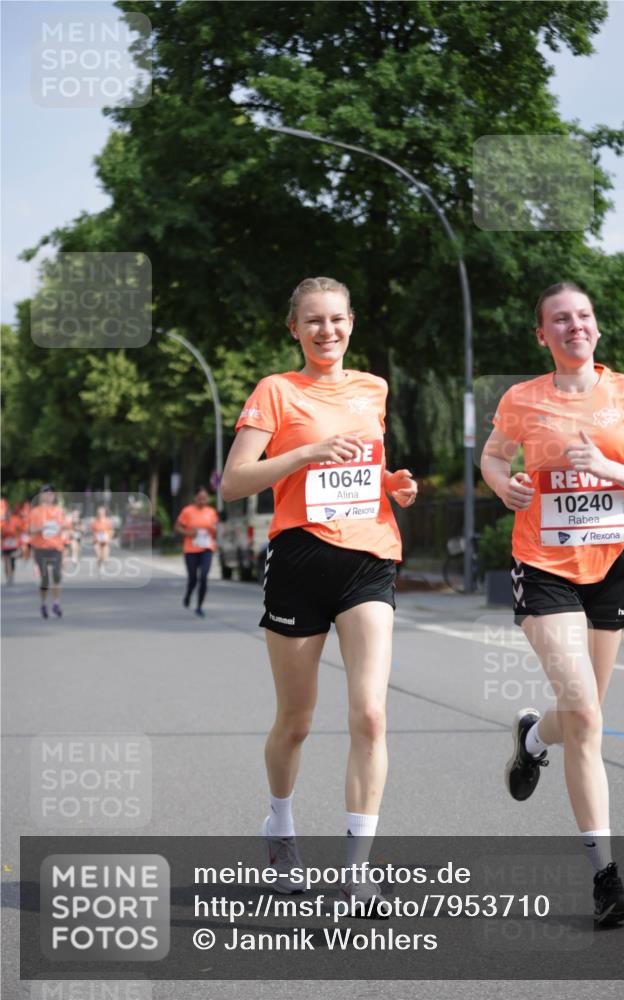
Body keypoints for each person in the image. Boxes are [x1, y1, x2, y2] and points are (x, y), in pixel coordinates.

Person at [221, 276, 417, 913]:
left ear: (352, 323)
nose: (326, 331)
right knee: (297, 721)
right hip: (300, 559)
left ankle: (358, 869)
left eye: (336, 320)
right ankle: (280, 826)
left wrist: (393, 483)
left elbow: (362, 471)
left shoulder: (373, 388)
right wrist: (304, 452)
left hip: (370, 556)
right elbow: (234, 483)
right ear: (294, 329)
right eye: (313, 321)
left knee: (370, 715)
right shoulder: (276, 392)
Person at [481, 282, 624, 927]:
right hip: (544, 566)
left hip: (610, 566)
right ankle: (605, 880)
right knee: (585, 714)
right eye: (560, 319)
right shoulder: (522, 399)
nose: (574, 325)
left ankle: (532, 737)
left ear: (596, 327)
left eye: (583, 316)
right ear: (543, 335)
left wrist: (611, 471)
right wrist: (505, 485)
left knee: (582, 715)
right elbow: (493, 456)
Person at [175, 487, 218, 618]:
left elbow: (216, 530)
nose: (202, 500)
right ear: (195, 498)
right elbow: (177, 527)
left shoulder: (211, 512)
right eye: (200, 498)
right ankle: (188, 594)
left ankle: (199, 606)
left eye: (204, 498)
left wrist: (213, 529)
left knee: (204, 576)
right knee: (193, 578)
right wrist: (189, 533)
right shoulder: (187, 511)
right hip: (191, 549)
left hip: (207, 548)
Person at [29, 485, 67, 618]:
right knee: (45, 579)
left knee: (57, 575)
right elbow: (32, 530)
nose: (49, 496)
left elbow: (63, 528)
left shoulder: (58, 511)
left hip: (56, 548)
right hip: (41, 548)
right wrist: (43, 528)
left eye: (51, 494)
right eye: (46, 494)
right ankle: (43, 604)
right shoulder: (35, 512)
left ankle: (56, 603)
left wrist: (66, 551)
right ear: (41, 496)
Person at [1, 504, 22, 584]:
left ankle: (12, 575)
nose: (7, 516)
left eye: (9, 514)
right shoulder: (2, 524)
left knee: (12, 562)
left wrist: (19, 544)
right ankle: (7, 577)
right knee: (6, 562)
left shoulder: (14, 522)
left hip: (13, 545)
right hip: (5, 546)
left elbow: (18, 533)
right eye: (6, 515)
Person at [91, 505, 114, 571]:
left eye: (102, 512)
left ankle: (105, 560)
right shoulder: (95, 521)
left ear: (104, 512)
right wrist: (95, 536)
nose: (101, 513)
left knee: (105, 553)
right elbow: (92, 530)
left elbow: (111, 530)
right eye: (99, 512)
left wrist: (109, 537)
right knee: (98, 555)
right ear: (97, 513)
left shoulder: (108, 521)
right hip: (97, 540)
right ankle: (99, 564)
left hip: (105, 539)